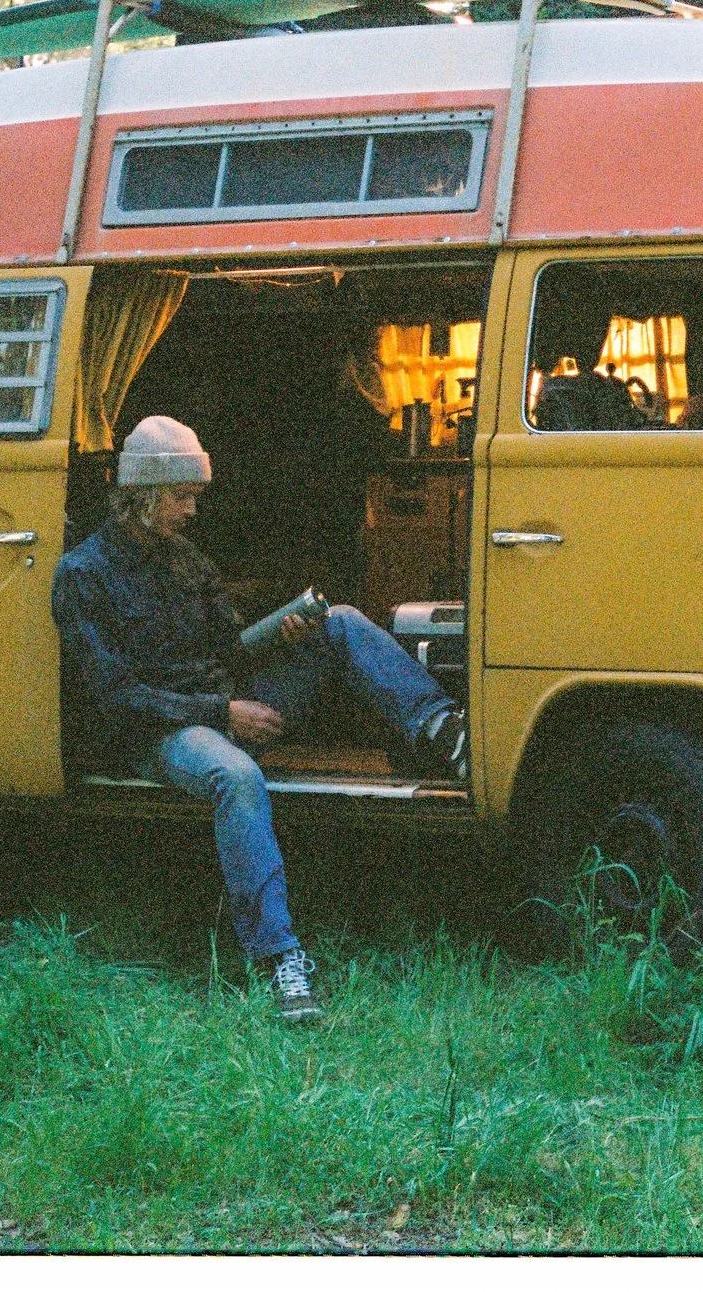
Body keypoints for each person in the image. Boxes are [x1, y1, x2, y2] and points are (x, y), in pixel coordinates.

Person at [51, 415, 469, 1023]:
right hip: (159, 730)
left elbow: (228, 651)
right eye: (181, 497)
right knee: (237, 777)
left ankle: (444, 730)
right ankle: (280, 960)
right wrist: (223, 714)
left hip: (223, 704)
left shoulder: (186, 560)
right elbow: (115, 697)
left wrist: (283, 634)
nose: (193, 511)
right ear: (141, 497)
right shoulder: (82, 575)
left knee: (342, 622)